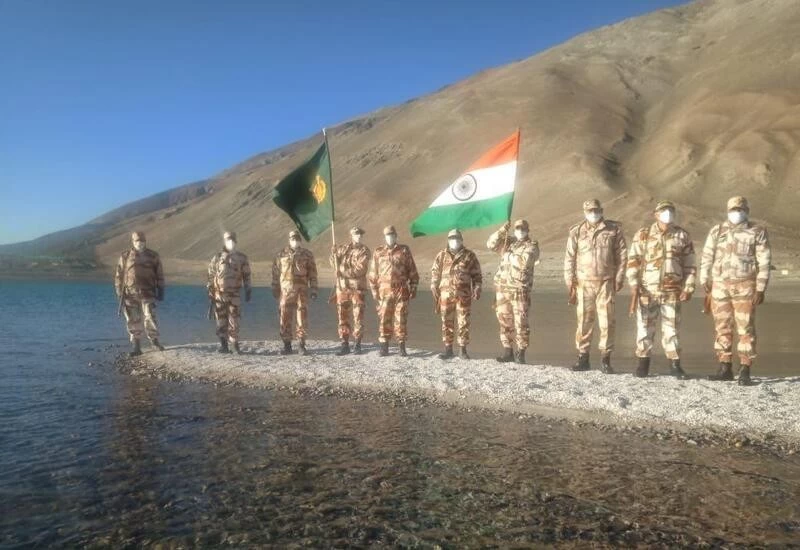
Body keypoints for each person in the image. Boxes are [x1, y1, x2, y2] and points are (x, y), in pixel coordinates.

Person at [699, 196, 771, 386]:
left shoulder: (757, 231)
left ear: (747, 211)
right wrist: (704, 278)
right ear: (728, 210)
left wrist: (761, 288)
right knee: (722, 327)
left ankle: (745, 368)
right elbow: (707, 256)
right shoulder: (717, 230)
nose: (737, 212)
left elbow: (764, 261)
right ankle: (725, 367)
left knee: (745, 327)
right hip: (720, 286)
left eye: (741, 209)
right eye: (734, 209)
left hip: (745, 285)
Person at [626, 200, 696, 378]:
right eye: (664, 211)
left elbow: (690, 264)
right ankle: (643, 364)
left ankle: (675, 365)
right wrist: (633, 284)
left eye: (671, 211)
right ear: (655, 215)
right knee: (644, 328)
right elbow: (633, 261)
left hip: (672, 291)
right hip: (647, 290)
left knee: (672, 329)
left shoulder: (682, 235)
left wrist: (688, 287)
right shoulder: (643, 234)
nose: (668, 214)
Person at [564, 199, 627, 374]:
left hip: (606, 282)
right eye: (590, 211)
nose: (594, 213)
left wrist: (619, 277)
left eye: (596, 210)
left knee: (607, 321)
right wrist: (570, 282)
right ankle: (583, 358)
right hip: (584, 283)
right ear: (585, 212)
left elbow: (622, 255)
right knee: (584, 321)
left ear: (601, 210)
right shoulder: (577, 231)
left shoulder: (613, 230)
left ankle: (606, 360)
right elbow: (569, 258)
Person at [487, 219, 540, 364]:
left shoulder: (532, 246)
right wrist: (501, 231)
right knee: (504, 320)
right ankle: (507, 351)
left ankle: (521, 352)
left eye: (523, 228)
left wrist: (508, 255)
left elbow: (524, 262)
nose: (520, 231)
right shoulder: (509, 242)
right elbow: (490, 244)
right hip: (503, 288)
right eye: (517, 228)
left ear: (528, 230)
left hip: (519, 290)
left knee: (521, 322)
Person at [430, 229, 482, 360]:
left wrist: (477, 287)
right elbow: (435, 272)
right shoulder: (442, 255)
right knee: (446, 321)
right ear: (448, 240)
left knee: (463, 322)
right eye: (452, 238)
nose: (455, 240)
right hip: (445, 294)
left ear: (462, 240)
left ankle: (462, 350)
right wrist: (434, 285)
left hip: (463, 295)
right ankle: (448, 349)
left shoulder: (469, 256)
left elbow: (477, 275)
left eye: (457, 238)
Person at [368, 225, 419, 357]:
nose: (390, 238)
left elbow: (412, 270)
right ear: (384, 237)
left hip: (401, 290)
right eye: (387, 236)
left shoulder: (404, 250)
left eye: (392, 235)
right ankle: (384, 347)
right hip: (384, 291)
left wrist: (413, 287)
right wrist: (374, 292)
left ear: (396, 236)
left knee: (401, 318)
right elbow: (373, 274)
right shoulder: (378, 252)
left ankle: (402, 346)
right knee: (384, 318)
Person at [114, 231, 165, 356]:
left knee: (150, 317)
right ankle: (136, 346)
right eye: (137, 241)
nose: (140, 243)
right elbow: (119, 275)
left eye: (142, 241)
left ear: (145, 242)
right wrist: (119, 291)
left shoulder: (153, 256)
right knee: (133, 320)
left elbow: (159, 273)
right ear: (133, 242)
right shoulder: (125, 256)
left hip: (148, 293)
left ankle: (154, 341)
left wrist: (161, 289)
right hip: (130, 294)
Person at [271, 230, 318, 355]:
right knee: (284, 317)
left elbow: (313, 273)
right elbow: (276, 273)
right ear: (289, 240)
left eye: (297, 239)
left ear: (300, 240)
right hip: (286, 291)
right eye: (293, 239)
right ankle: (287, 345)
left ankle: (301, 345)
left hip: (301, 291)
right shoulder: (281, 255)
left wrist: (314, 289)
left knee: (302, 317)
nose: (295, 241)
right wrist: (275, 287)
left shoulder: (307, 255)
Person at [207, 231, 252, 355]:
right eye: (228, 239)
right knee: (221, 320)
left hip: (234, 294)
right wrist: (210, 290)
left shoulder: (242, 258)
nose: (230, 242)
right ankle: (223, 345)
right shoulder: (217, 258)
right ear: (224, 241)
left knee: (234, 320)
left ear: (235, 241)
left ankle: (234, 345)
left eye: (232, 239)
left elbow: (247, 275)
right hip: (219, 295)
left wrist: (248, 289)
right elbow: (211, 275)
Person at [330, 226, 371, 355]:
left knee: (358, 316)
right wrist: (333, 254)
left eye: (360, 234)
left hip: (357, 289)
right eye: (356, 234)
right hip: (342, 288)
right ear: (351, 235)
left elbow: (360, 269)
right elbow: (334, 264)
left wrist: (342, 272)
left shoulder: (364, 250)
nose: (358, 236)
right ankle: (345, 344)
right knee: (342, 316)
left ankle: (357, 344)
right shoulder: (343, 249)